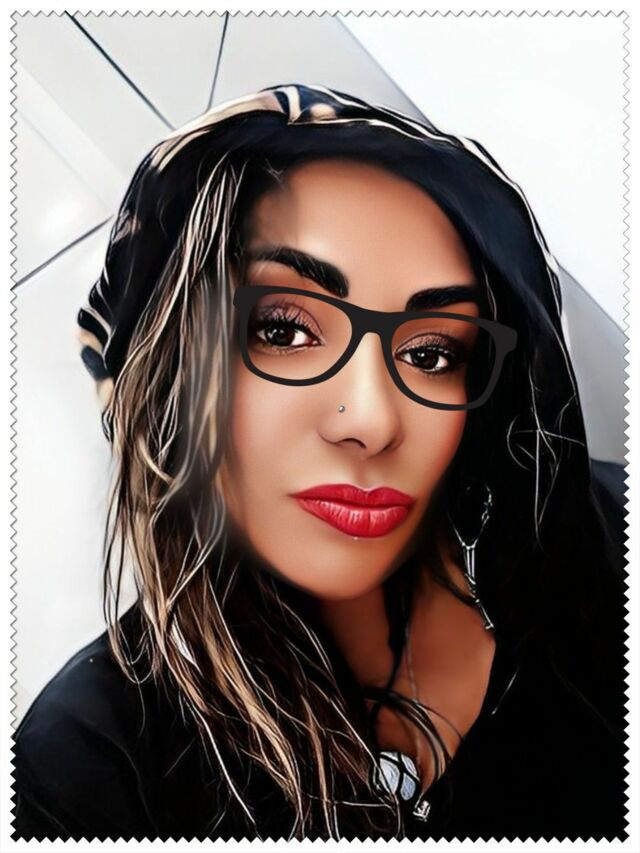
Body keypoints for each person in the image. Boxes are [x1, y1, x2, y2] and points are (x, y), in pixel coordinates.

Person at [12, 84, 627, 842]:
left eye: (432, 351)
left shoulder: (611, 547)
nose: (371, 419)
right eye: (284, 330)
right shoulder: (85, 772)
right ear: (172, 371)